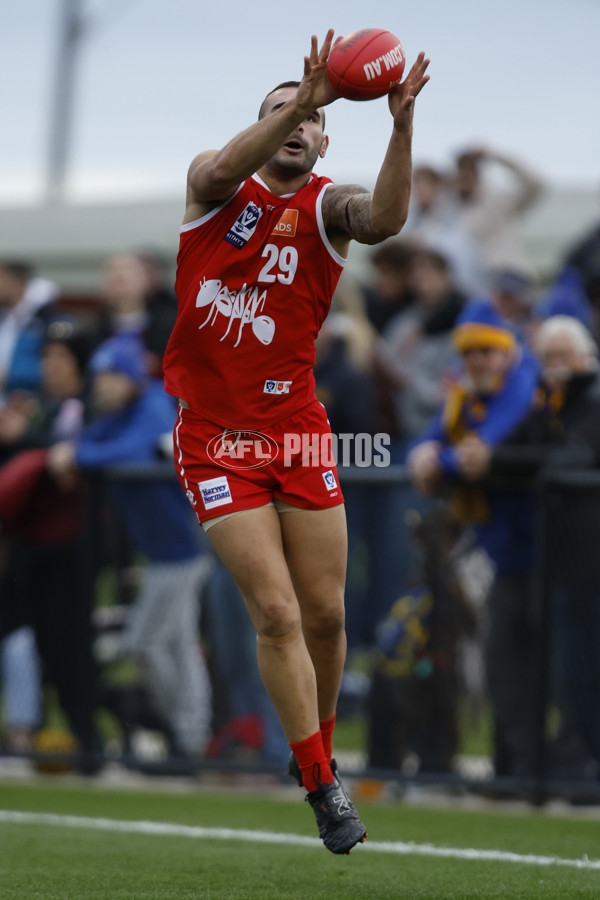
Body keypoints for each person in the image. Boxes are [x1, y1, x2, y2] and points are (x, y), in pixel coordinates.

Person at [161, 30, 430, 854]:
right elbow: (215, 168)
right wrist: (306, 94)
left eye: (307, 115)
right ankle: (319, 781)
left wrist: (400, 126)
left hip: (300, 435)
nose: (295, 122)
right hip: (214, 438)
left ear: (324, 137)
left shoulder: (326, 204)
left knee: (325, 613)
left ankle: (320, 752)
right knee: (275, 612)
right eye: (279, 110)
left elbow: (383, 220)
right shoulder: (216, 188)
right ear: (263, 123)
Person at [48, 333, 213, 760]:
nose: (104, 385)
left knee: (148, 642)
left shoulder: (154, 402)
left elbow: (131, 450)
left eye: (113, 376)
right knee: (176, 643)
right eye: (100, 376)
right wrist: (78, 452)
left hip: (185, 549)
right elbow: (90, 441)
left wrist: (78, 458)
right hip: (161, 553)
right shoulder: (116, 413)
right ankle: (190, 738)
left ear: (132, 377)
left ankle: (188, 736)